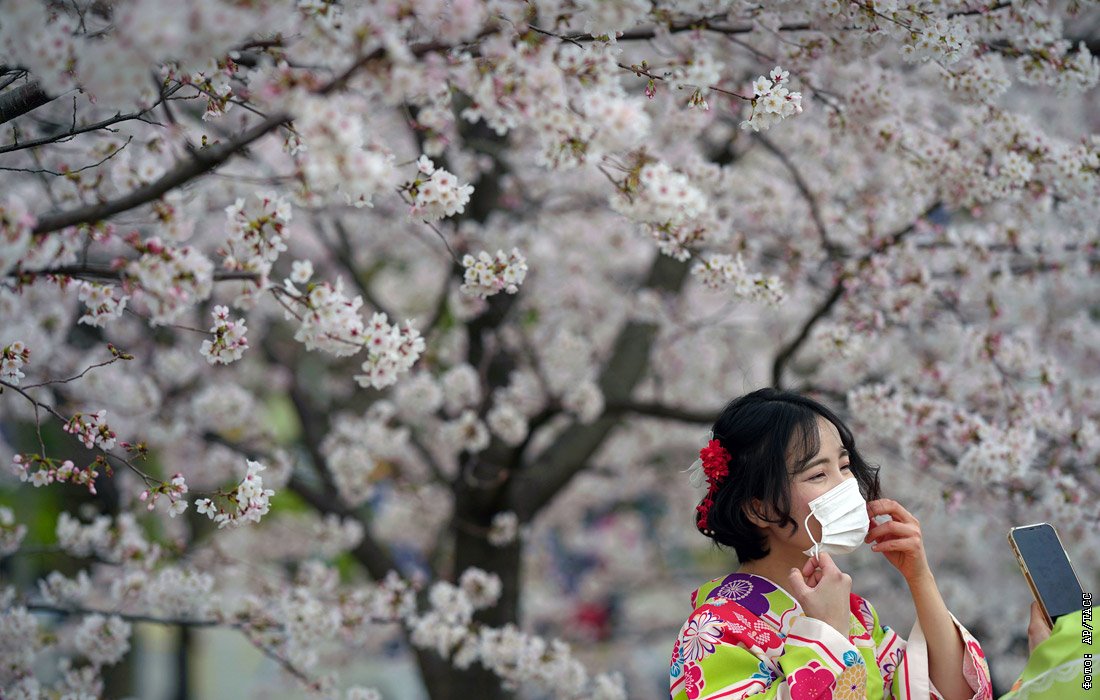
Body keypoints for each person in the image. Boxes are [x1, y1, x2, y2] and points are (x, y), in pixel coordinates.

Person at [670, 388, 993, 700]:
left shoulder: (856, 614)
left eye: (844, 466)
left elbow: (952, 692)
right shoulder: (714, 629)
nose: (846, 486)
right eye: (817, 475)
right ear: (759, 508)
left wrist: (919, 578)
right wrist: (827, 632)